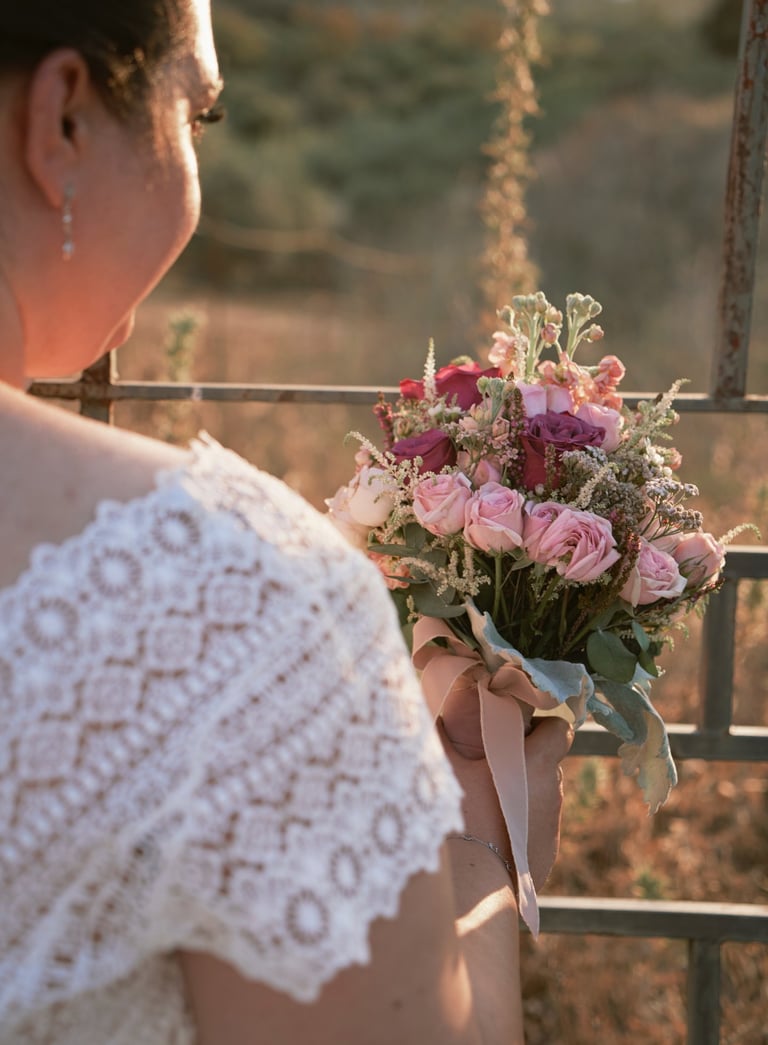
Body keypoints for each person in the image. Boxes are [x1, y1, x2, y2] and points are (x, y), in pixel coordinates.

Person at [0, 1, 573, 1041]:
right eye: (198, 113)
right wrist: (480, 847)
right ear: (64, 120)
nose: (200, 155)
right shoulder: (228, 604)